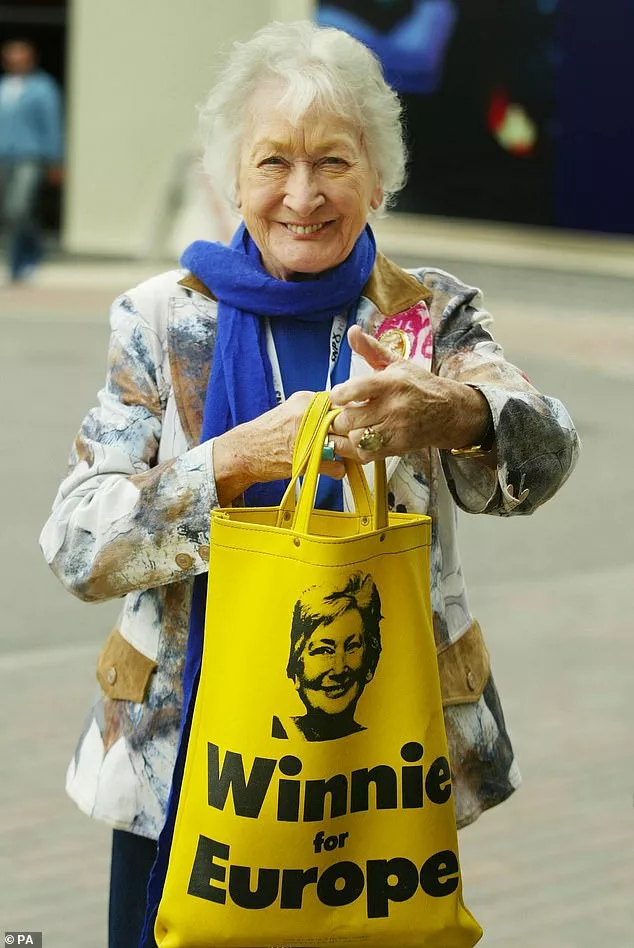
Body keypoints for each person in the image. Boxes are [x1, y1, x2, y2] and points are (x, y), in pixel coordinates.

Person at [39, 20, 579, 948]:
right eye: (271, 162)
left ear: (379, 175)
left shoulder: (426, 314)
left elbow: (547, 455)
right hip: (190, 761)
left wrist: (451, 411)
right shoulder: (162, 322)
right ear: (229, 178)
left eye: (332, 160)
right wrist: (232, 460)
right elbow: (80, 545)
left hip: (380, 766)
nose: (301, 194)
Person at [273, 571, 382, 741]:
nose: (339, 670)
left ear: (369, 663)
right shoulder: (265, 732)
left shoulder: (384, 740)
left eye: (351, 647)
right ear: (296, 667)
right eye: (324, 651)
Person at [0, 39, 63, 283]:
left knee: (20, 207)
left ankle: (29, 256)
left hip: (31, 154)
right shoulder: (4, 86)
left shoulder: (43, 87)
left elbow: (51, 124)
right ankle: (16, 262)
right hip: (5, 154)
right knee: (8, 211)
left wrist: (55, 159)